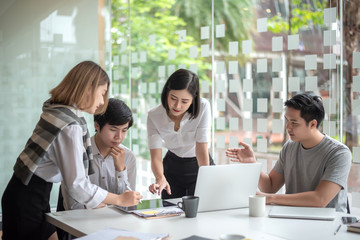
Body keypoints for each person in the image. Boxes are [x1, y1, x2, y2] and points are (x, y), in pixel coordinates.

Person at [1, 61, 142, 240]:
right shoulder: (70, 126)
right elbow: (77, 185)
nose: (101, 102)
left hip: (28, 191)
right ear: (87, 89)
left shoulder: (59, 109)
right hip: (29, 199)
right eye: (102, 94)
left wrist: (96, 200)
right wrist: (120, 200)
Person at [226, 93, 351, 212]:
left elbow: (320, 200)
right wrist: (252, 163)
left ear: (313, 124)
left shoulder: (339, 153)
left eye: (294, 123)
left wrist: (268, 199)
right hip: (292, 217)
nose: (288, 127)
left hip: (330, 224)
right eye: (287, 121)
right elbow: (270, 187)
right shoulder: (290, 147)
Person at [147, 69, 214, 199]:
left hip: (199, 164)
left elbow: (201, 148)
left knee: (203, 210)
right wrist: (160, 178)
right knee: (171, 213)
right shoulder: (154, 116)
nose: (177, 105)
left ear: (193, 98)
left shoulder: (203, 107)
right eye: (173, 98)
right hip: (172, 167)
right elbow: (155, 155)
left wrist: (206, 179)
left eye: (185, 101)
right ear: (167, 92)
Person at [61, 98, 137, 210]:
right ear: (97, 125)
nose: (119, 137)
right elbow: (72, 205)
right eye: (113, 129)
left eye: (124, 130)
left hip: (118, 224)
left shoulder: (128, 157)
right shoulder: (78, 152)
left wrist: (120, 170)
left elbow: (129, 205)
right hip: (81, 224)